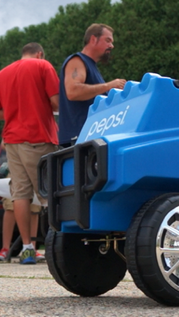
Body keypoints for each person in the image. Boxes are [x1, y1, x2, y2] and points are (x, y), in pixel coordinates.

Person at [0, 42, 59, 264]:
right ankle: (60, 245)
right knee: (50, 191)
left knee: (20, 193)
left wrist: (17, 110)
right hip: (37, 136)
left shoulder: (3, 73)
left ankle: (27, 248)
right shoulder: (43, 66)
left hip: (12, 140)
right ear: (40, 53)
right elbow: (56, 102)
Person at [58, 23, 126, 147]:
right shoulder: (77, 61)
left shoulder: (90, 66)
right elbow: (73, 91)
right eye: (107, 40)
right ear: (93, 39)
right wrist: (108, 86)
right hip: (79, 139)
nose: (111, 45)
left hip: (88, 138)